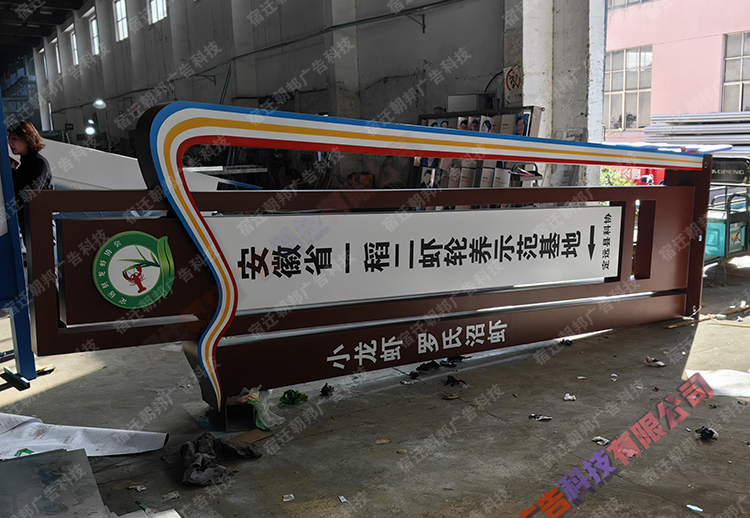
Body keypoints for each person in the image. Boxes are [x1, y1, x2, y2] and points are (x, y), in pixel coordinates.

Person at [7, 121, 53, 247]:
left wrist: (12, 173)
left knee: (40, 255)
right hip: (31, 221)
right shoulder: (27, 163)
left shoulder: (38, 163)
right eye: (9, 139)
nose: (11, 143)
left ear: (28, 139)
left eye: (15, 139)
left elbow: (29, 193)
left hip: (38, 222)